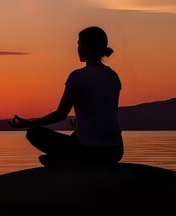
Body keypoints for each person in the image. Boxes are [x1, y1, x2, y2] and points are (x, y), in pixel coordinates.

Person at [10, 26, 123, 167]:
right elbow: (101, 112)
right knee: (77, 134)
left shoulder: (78, 77)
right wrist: (79, 123)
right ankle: (65, 158)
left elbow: (60, 115)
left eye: (80, 44)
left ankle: (64, 160)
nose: (78, 48)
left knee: (34, 133)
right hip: (115, 151)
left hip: (88, 151)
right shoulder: (113, 76)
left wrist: (28, 123)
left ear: (88, 46)